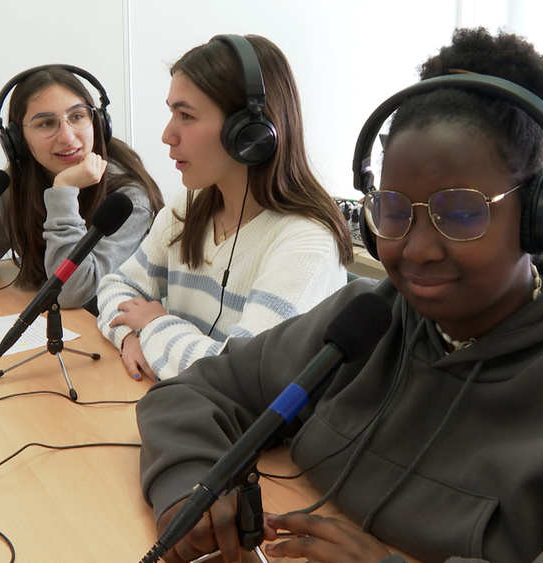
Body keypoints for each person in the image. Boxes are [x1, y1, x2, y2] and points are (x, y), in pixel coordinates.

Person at [135, 28, 543, 562]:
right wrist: (189, 484)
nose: (416, 248)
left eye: (460, 212)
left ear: (541, 216)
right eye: (392, 210)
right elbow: (198, 390)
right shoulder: (375, 321)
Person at [96, 34, 353, 382]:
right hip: (184, 408)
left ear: (248, 133)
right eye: (172, 113)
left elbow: (243, 374)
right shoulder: (187, 207)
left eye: (186, 115)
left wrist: (154, 325)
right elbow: (116, 287)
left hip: (255, 433)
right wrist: (129, 337)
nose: (167, 135)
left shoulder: (307, 243)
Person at [0, 65, 163, 310]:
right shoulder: (18, 183)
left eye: (77, 116)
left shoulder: (128, 197)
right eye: (46, 123)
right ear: (17, 141)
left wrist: (64, 191)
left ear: (97, 121)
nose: (67, 137)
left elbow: (73, 291)